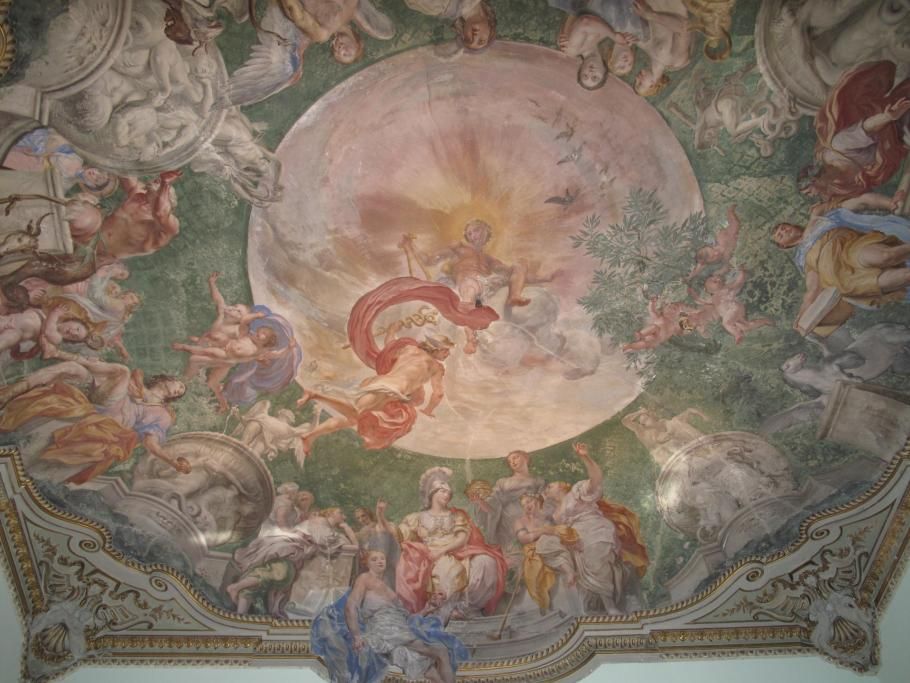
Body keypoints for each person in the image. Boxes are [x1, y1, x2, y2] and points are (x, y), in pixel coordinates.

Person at [0, 342, 189, 484]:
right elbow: (127, 380)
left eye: (180, 392)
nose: (179, 390)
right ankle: (13, 390)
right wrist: (137, 387)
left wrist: (172, 462)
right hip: (101, 400)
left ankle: (58, 352)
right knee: (73, 368)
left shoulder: (163, 414)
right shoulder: (137, 382)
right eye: (179, 385)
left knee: (123, 371)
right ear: (168, 379)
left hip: (111, 422)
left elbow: (150, 442)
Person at [312, 549, 468, 683]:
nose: (380, 561)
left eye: (382, 558)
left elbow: (406, 618)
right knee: (441, 651)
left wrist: (427, 609)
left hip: (401, 629)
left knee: (431, 669)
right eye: (374, 559)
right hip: (385, 632)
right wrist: (357, 635)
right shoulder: (365, 579)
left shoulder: (388, 587)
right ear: (367, 563)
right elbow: (350, 606)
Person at [296, 322, 452, 454]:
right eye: (446, 350)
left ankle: (309, 436)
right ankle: (314, 395)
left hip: (387, 388)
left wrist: (392, 330)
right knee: (355, 411)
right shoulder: (435, 367)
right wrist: (429, 410)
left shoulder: (409, 349)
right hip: (389, 389)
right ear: (436, 349)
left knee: (352, 419)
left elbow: (389, 346)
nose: (448, 354)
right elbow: (438, 393)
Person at [400, 220, 552, 352]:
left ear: (486, 232)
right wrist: (411, 245)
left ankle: (514, 296)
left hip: (487, 285)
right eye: (470, 233)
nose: (473, 235)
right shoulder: (458, 249)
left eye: (476, 230)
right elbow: (428, 260)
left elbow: (511, 274)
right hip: (468, 284)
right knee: (470, 287)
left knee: (520, 264)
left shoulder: (489, 259)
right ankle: (471, 339)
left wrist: (545, 278)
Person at [772, 193, 910, 335]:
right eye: (780, 235)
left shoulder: (818, 220)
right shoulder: (802, 259)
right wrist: (802, 314)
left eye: (783, 227)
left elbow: (860, 201)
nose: (783, 231)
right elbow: (812, 288)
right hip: (845, 280)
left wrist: (889, 203)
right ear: (784, 246)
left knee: (886, 256)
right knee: (905, 276)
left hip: (850, 249)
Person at [378, 468, 508, 617]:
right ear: (432, 493)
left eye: (448, 492)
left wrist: (443, 550)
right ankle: (443, 611)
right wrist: (380, 515)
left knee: (487, 561)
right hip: (430, 556)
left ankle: (465, 608)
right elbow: (398, 535)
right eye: (443, 491)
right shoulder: (417, 517)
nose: (447, 495)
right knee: (449, 568)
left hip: (458, 552)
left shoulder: (457, 515)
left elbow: (462, 538)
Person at [544, 442, 649, 614]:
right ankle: (600, 603)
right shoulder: (556, 514)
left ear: (562, 485)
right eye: (547, 488)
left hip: (594, 527)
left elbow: (596, 479)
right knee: (556, 548)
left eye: (550, 485)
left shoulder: (576, 491)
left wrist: (585, 457)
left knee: (595, 554)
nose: (547, 489)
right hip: (576, 537)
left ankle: (610, 606)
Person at [801, 61, 910, 210]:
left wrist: (888, 117)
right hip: (900, 144)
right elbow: (862, 199)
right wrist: (892, 200)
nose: (812, 196)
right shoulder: (841, 184)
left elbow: (866, 128)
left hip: (895, 122)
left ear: (814, 180)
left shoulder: (838, 148)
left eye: (809, 192)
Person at [227, 506, 358, 617]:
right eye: (340, 513)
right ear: (330, 513)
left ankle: (243, 608)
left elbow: (352, 546)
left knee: (279, 575)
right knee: (280, 572)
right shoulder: (320, 520)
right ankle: (236, 588)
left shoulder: (326, 526)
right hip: (290, 546)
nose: (344, 516)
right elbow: (325, 540)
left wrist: (347, 529)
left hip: (295, 551)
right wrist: (347, 530)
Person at [172, 323, 281, 411]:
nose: (259, 333)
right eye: (260, 330)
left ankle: (185, 349)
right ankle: (223, 404)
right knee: (212, 383)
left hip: (227, 357)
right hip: (226, 350)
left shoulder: (259, 350)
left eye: (264, 334)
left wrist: (287, 349)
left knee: (204, 355)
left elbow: (274, 354)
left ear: (266, 343)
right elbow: (241, 330)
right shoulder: (250, 337)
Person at [468, 449, 545, 565]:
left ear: (526, 458)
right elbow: (492, 506)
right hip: (506, 525)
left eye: (515, 457)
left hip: (530, 522)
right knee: (512, 557)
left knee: (532, 557)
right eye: (509, 461)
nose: (512, 462)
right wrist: (480, 501)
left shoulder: (537, 481)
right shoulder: (503, 482)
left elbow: (544, 504)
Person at [552, 1, 648, 89]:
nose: (590, 73)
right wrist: (622, 42)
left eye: (585, 75)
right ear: (604, 72)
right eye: (595, 77)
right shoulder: (602, 41)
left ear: (581, 68)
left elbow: (585, 22)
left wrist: (613, 35)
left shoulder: (571, 50)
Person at [513, 493, 580, 612]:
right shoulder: (520, 521)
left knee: (553, 542)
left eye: (529, 501)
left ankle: (570, 572)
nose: (526, 506)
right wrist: (543, 531)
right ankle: (545, 606)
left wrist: (552, 532)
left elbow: (558, 529)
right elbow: (524, 539)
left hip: (553, 543)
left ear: (537, 500)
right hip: (534, 549)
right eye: (523, 505)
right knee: (546, 545)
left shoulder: (548, 517)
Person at [688, 270, 774, 344]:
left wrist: (742, 274)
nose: (717, 279)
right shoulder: (713, 298)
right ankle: (764, 321)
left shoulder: (725, 290)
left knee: (726, 323)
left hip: (733, 308)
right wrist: (693, 294)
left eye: (717, 280)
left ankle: (737, 334)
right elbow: (702, 301)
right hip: (731, 313)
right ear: (709, 290)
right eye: (713, 280)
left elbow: (738, 284)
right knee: (745, 326)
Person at [629, 0, 693, 97]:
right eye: (640, 84)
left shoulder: (648, 53)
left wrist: (627, 40)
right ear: (652, 86)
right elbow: (685, 28)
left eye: (635, 81)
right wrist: (651, 15)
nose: (637, 78)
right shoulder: (675, 62)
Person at [621, 406, 706, 467]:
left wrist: (693, 412)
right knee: (673, 444)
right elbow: (625, 421)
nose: (645, 422)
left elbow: (678, 420)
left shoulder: (663, 424)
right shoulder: (642, 431)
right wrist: (640, 412)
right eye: (643, 421)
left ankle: (700, 454)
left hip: (679, 452)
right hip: (666, 458)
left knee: (676, 432)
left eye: (647, 418)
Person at [403, 0, 496, 51]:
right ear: (490, 29)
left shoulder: (438, 8)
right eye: (481, 40)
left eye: (468, 39)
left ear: (462, 32)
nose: (475, 36)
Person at [686, 204, 741, 281]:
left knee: (735, 225)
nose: (716, 253)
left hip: (730, 232)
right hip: (736, 239)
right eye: (714, 257)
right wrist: (719, 272)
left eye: (713, 250)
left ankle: (730, 211)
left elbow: (702, 262)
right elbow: (726, 267)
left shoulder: (716, 242)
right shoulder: (725, 258)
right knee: (735, 227)